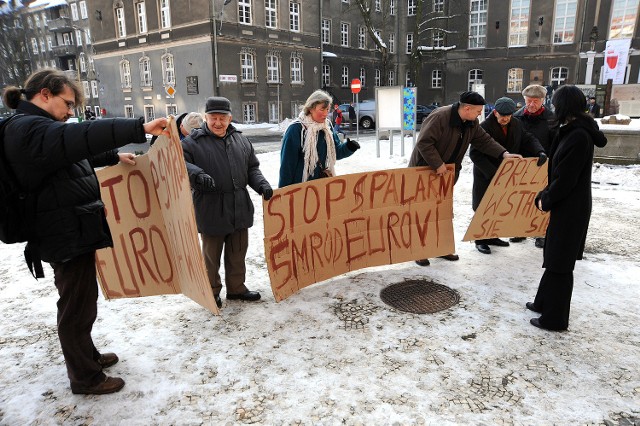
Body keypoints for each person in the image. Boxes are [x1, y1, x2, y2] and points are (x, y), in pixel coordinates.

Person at [2, 68, 168, 395]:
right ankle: (85, 378)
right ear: (44, 95)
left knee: (82, 302)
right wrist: (138, 127)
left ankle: (87, 357)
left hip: (71, 229)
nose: (70, 112)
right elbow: (76, 139)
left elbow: (72, 154)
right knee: (76, 307)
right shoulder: (28, 128)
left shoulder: (40, 128)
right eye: (67, 103)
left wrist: (112, 155)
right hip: (62, 234)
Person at [408, 91, 523, 266]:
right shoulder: (440, 117)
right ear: (467, 108)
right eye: (478, 111)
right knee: (424, 212)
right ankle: (420, 250)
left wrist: (503, 153)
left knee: (443, 211)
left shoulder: (471, 123)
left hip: (447, 173)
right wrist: (438, 164)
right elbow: (424, 142)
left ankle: (441, 248)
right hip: (425, 170)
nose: (480, 115)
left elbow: (483, 140)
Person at [527, 85, 607, 331]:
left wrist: (546, 199)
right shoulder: (572, 130)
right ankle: (543, 302)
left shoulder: (578, 136)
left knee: (560, 263)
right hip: (566, 204)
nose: (552, 107)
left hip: (571, 207)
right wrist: (547, 193)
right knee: (553, 254)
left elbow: (566, 179)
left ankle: (555, 318)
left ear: (564, 106)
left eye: (555, 103)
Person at [181, 96, 272, 309]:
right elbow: (180, 164)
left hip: (239, 205)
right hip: (211, 207)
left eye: (222, 118)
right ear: (206, 117)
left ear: (230, 118)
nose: (218, 123)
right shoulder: (192, 142)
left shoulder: (240, 139)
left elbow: (252, 168)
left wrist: (262, 185)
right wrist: (197, 174)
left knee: (238, 251)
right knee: (211, 256)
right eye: (213, 118)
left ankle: (237, 288)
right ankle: (211, 292)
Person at [470, 97, 547, 254]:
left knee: (499, 206)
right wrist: (494, 174)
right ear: (495, 112)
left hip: (506, 175)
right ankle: (480, 239)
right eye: (502, 115)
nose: (505, 118)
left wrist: (539, 151)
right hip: (487, 173)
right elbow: (474, 154)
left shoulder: (516, 124)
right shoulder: (484, 126)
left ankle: (492, 236)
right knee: (483, 206)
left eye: (508, 115)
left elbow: (527, 138)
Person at [279, 90, 360, 187]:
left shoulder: (327, 126)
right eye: (322, 109)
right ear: (311, 108)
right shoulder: (296, 129)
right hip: (300, 188)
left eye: (328, 110)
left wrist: (348, 147)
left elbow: (335, 152)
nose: (326, 114)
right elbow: (287, 167)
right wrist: (282, 194)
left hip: (321, 187)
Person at [512, 84, 555, 248]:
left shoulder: (551, 119)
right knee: (520, 198)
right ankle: (520, 229)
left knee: (542, 199)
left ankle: (540, 232)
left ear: (542, 101)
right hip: (522, 164)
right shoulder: (517, 117)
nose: (531, 104)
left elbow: (555, 142)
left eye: (535, 101)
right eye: (528, 101)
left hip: (543, 163)